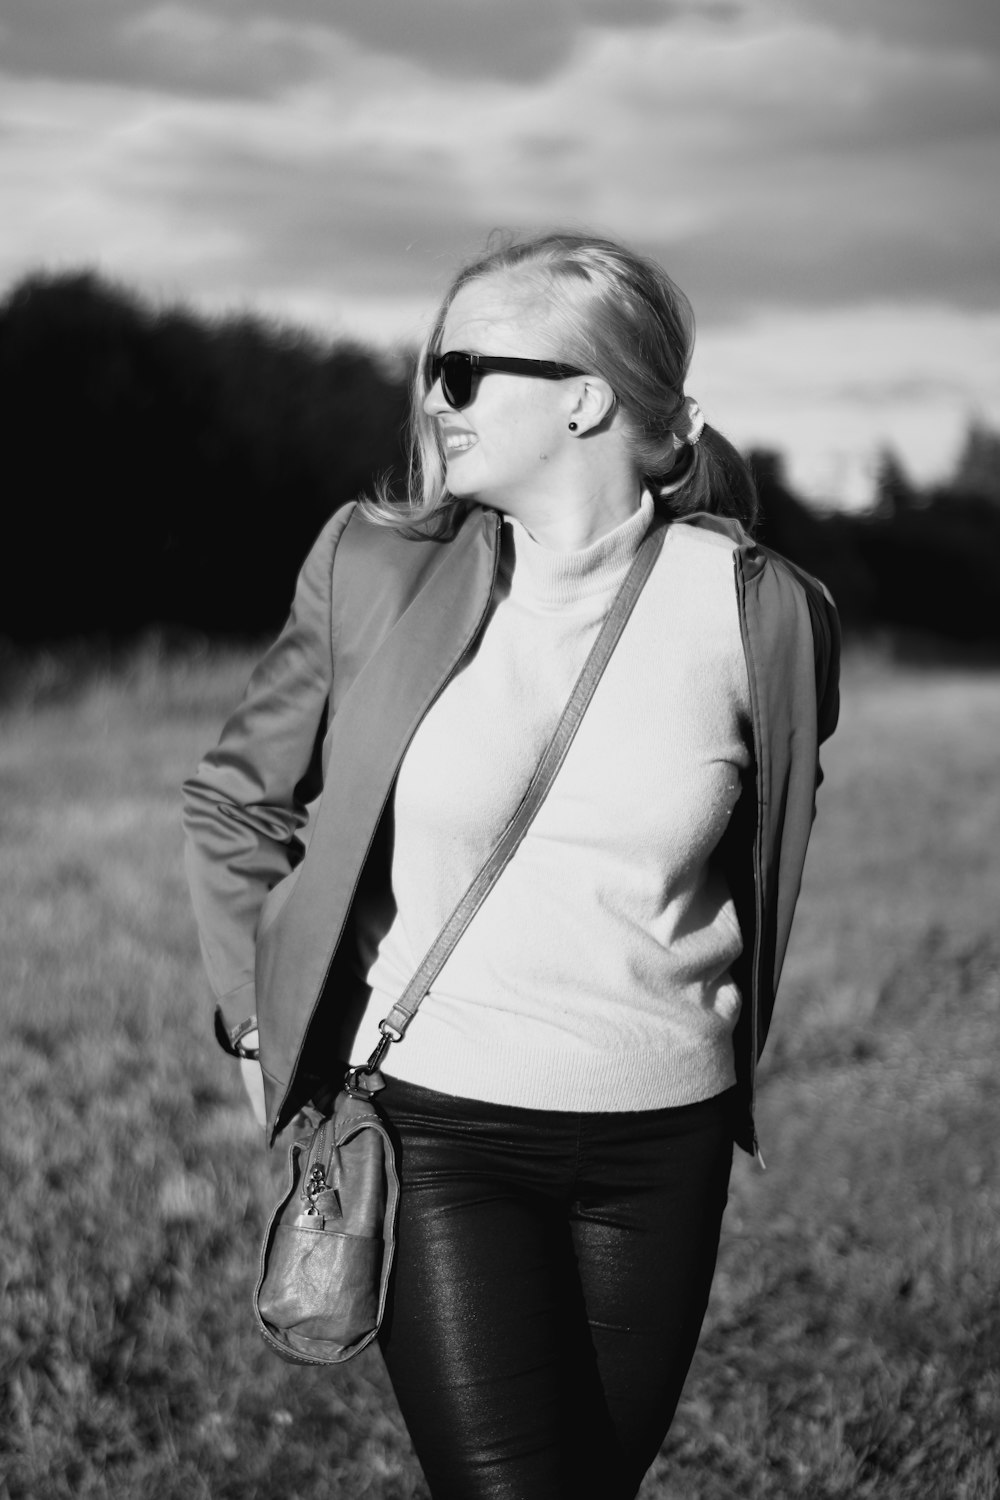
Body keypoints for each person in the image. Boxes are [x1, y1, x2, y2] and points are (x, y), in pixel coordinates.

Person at [182, 231, 840, 1500]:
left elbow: (763, 846)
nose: (433, 396)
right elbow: (233, 801)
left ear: (586, 397)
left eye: (467, 367)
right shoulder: (374, 565)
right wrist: (251, 1017)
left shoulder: (769, 613)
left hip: (665, 1141)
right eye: (430, 364)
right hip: (438, 1129)